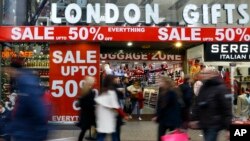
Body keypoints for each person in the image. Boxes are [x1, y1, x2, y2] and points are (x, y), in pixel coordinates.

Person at [7, 57, 48, 141]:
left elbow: (39, 112)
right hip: (24, 133)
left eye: (10, 71)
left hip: (28, 134)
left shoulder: (26, 84)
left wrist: (40, 134)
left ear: (14, 70)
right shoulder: (23, 83)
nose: (9, 73)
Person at [189, 69, 232, 141]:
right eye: (202, 73)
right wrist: (194, 118)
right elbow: (197, 103)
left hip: (214, 123)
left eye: (205, 73)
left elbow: (227, 108)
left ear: (213, 74)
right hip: (204, 122)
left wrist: (228, 128)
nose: (202, 75)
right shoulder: (204, 87)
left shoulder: (221, 88)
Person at [95, 75, 128, 141]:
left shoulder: (102, 91)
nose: (116, 80)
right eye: (114, 79)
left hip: (101, 118)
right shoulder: (111, 92)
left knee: (101, 135)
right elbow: (116, 106)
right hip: (109, 118)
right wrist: (124, 115)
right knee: (114, 136)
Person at [153, 77, 182, 141]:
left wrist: (157, 116)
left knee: (171, 138)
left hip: (171, 119)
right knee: (161, 137)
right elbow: (159, 106)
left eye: (161, 82)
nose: (159, 83)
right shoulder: (162, 91)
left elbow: (163, 106)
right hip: (165, 119)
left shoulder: (172, 93)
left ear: (166, 83)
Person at [77, 76, 97, 141]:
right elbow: (90, 103)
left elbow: (82, 103)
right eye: (93, 81)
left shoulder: (85, 89)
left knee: (84, 130)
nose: (94, 82)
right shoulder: (90, 91)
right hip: (89, 114)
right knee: (95, 127)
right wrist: (94, 104)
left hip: (86, 114)